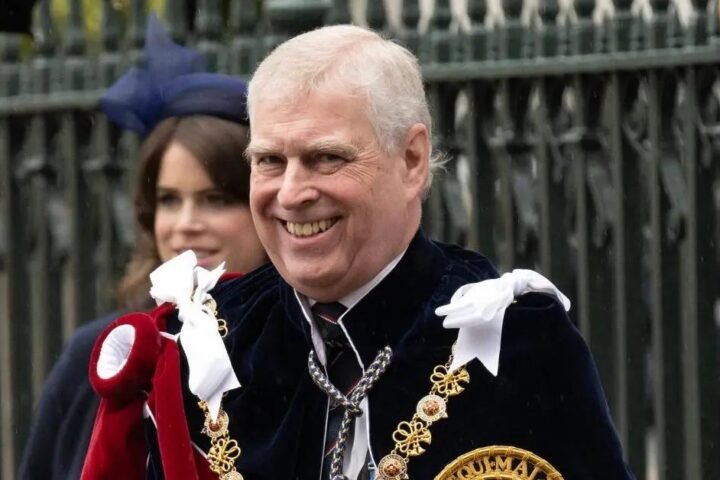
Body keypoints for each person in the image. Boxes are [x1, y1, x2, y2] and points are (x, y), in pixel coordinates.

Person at [145, 24, 634, 480]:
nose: (291, 194)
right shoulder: (209, 345)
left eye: (326, 158)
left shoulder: (515, 340)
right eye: (270, 160)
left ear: (412, 160)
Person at [17, 16, 266, 480]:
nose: (186, 225)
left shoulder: (305, 349)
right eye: (169, 200)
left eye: (216, 199)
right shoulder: (98, 352)